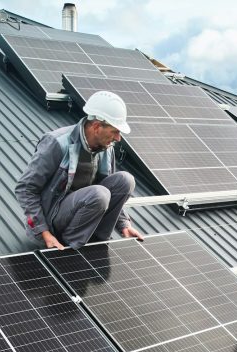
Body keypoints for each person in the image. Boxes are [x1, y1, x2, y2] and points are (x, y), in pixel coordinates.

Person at [16, 90, 143, 250]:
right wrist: (44, 232)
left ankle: (98, 239)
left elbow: (113, 193)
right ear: (96, 126)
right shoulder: (57, 143)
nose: (118, 138)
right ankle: (72, 249)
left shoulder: (107, 148)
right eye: (115, 131)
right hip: (54, 218)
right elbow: (25, 189)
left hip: (86, 209)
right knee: (99, 194)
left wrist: (124, 224)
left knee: (125, 180)